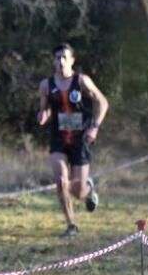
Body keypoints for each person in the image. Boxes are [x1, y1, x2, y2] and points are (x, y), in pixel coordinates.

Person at [36, 43, 109, 237]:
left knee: (77, 191)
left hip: (81, 138)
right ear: (53, 61)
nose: (60, 61)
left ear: (72, 61)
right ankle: (71, 225)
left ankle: (88, 189)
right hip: (58, 138)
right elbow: (45, 108)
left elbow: (103, 102)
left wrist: (94, 127)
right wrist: (43, 116)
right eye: (57, 58)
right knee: (61, 180)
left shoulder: (82, 81)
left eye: (64, 58)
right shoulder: (46, 85)